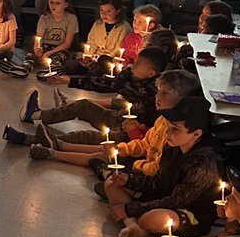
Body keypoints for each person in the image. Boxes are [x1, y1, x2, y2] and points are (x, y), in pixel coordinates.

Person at [9, 48, 169, 163]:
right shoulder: (138, 80)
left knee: (85, 137)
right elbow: (111, 83)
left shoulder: (150, 90)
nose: (134, 64)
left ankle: (28, 139)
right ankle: (35, 115)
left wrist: (69, 79)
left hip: (129, 135)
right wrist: (69, 80)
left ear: (151, 73)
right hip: (120, 121)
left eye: (139, 63)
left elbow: (110, 84)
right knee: (84, 105)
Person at [104, 96, 221, 237]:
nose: (168, 133)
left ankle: (138, 223)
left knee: (155, 219)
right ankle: (134, 225)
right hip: (164, 197)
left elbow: (176, 201)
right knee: (112, 183)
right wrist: (128, 180)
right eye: (168, 126)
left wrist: (130, 209)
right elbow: (158, 181)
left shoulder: (203, 164)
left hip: (189, 212)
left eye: (175, 129)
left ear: (196, 134)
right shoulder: (171, 146)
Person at [10, 0, 78, 78]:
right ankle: (24, 69)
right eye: (51, 2)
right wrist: (37, 48)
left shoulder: (71, 19)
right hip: (45, 45)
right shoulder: (44, 18)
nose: (54, 6)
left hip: (60, 48)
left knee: (58, 58)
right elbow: (39, 37)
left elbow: (67, 43)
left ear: (66, 4)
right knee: (31, 56)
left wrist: (49, 53)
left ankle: (51, 73)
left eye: (58, 3)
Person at [62, 0, 133, 79]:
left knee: (94, 71)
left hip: (109, 60)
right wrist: (89, 57)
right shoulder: (97, 24)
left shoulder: (125, 27)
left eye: (108, 11)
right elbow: (91, 43)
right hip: (94, 58)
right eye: (101, 10)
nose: (104, 14)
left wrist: (98, 60)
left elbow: (118, 50)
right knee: (69, 67)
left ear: (118, 11)